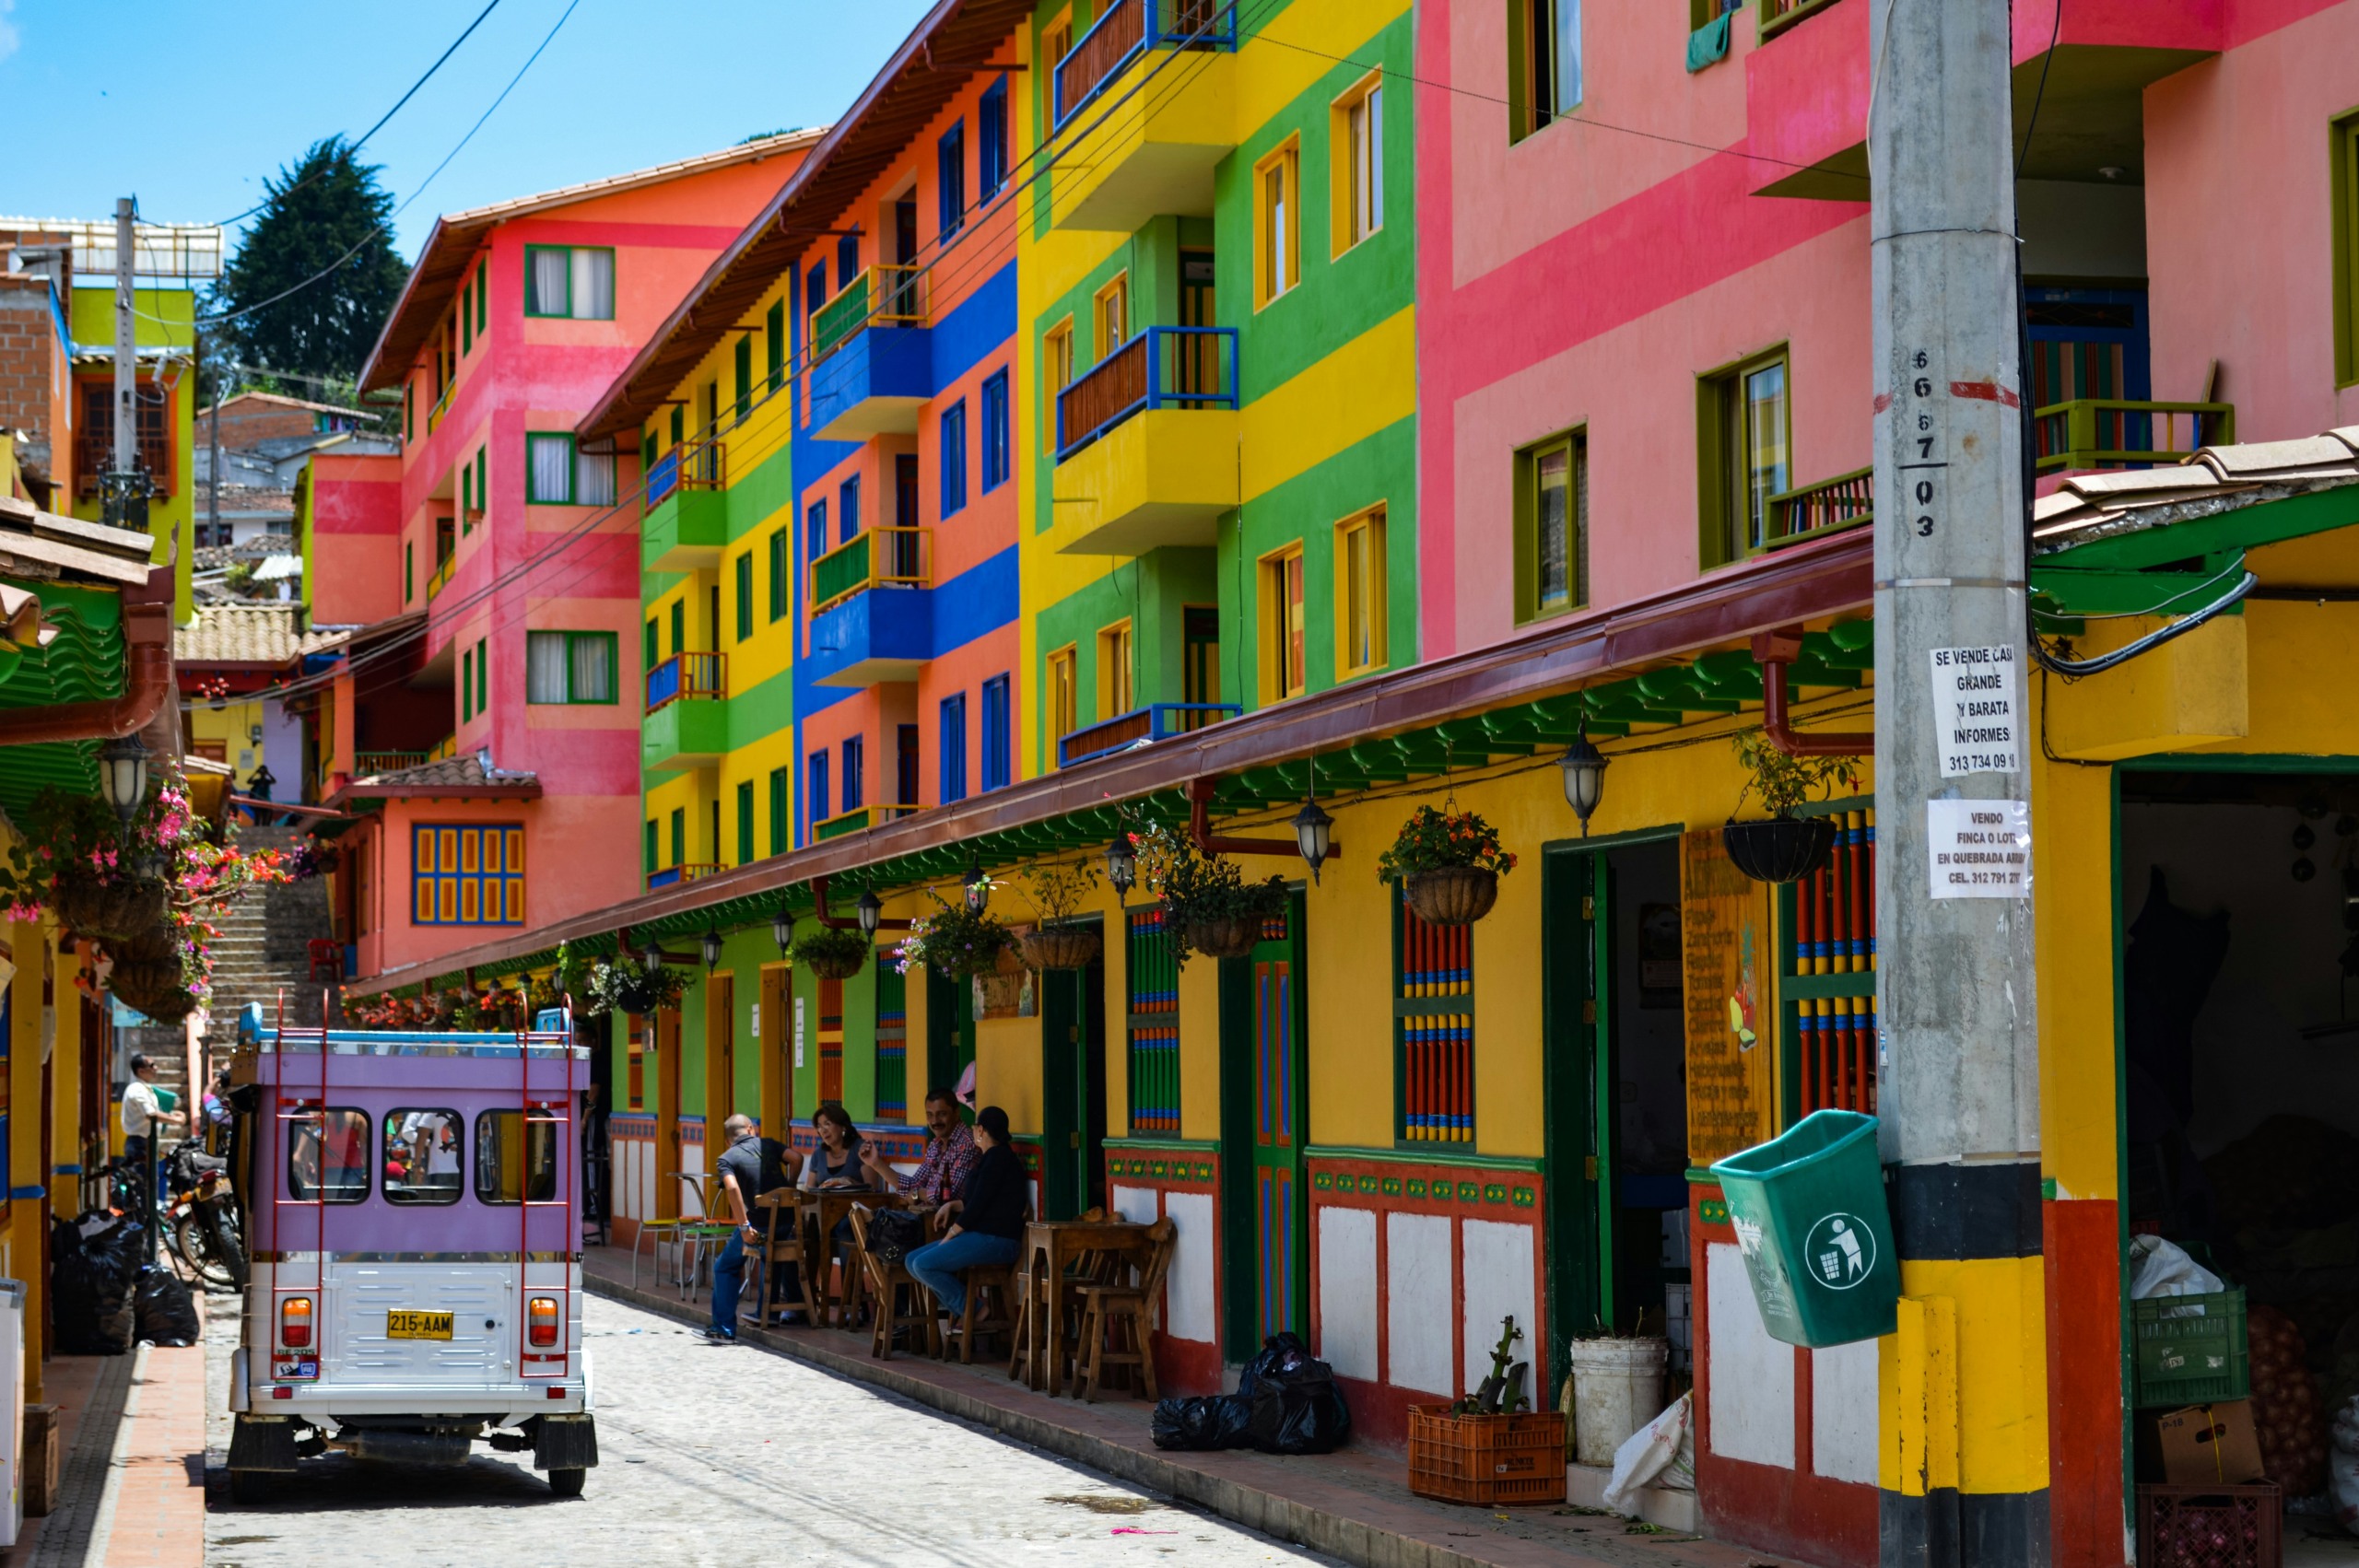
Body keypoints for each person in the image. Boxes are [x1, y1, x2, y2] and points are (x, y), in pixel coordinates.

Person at [905, 1106, 1027, 1319]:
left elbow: (978, 1205)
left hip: (998, 1240)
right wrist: (952, 1205)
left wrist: (951, 1235)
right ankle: (966, 1311)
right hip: (980, 1237)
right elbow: (976, 1199)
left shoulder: (999, 1159)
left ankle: (974, 1310)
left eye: (975, 1128)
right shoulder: (988, 1158)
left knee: (923, 1265)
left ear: (980, 1130)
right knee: (911, 1261)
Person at [704, 1114, 802, 1341]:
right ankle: (767, 1313)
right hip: (787, 1223)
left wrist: (744, 1226)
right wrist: (790, 1187)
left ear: (728, 1140)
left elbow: (731, 1188)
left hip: (759, 1226)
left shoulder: (726, 1158)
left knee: (725, 1267)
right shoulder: (768, 1144)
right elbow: (796, 1158)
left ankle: (724, 1328)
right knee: (771, 1255)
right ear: (750, 1129)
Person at [860, 1085, 976, 1203]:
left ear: (956, 1113)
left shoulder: (967, 1143)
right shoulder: (936, 1145)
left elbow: (946, 1195)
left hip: (954, 1219)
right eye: (930, 1115)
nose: (935, 1121)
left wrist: (918, 1194)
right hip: (931, 1217)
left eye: (942, 1114)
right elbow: (912, 1185)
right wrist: (876, 1163)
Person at [120, 1054, 184, 1204]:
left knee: (149, 1184)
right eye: (152, 1065)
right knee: (143, 1187)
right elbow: (150, 1114)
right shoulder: (137, 1089)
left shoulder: (144, 1089)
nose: (156, 1069)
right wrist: (174, 1120)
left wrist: (170, 1115)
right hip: (139, 1144)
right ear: (141, 1071)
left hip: (145, 1142)